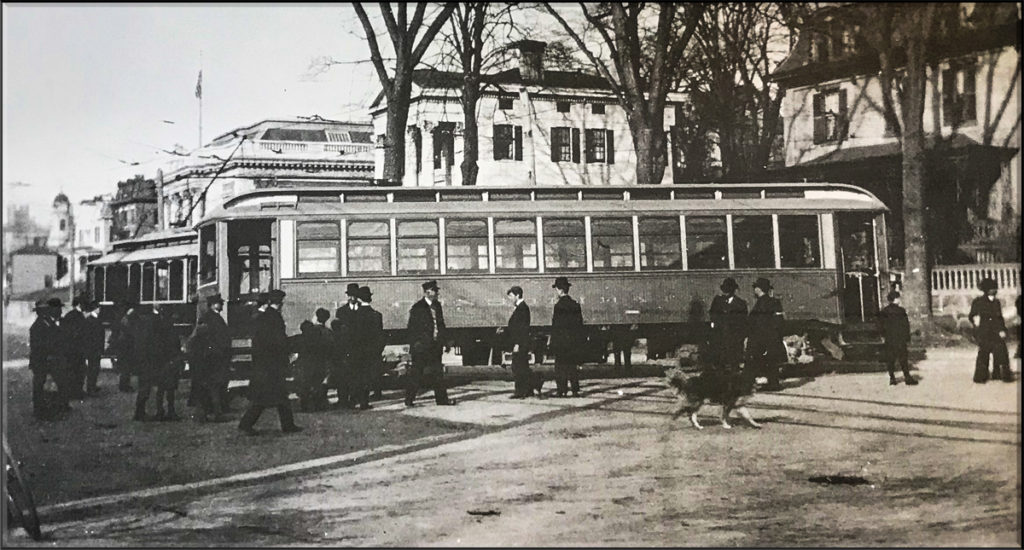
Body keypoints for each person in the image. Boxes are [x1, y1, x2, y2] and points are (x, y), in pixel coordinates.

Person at [238, 289, 302, 434]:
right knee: (267, 398)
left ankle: (287, 425)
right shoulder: (275, 317)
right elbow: (279, 341)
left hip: (265, 363)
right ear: (280, 303)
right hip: (273, 364)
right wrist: (291, 347)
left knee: (278, 396)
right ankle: (247, 424)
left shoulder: (264, 316)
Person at [405, 280, 457, 406]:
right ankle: (409, 400)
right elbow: (412, 328)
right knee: (416, 373)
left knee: (438, 373)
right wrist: (416, 344)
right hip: (421, 347)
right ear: (427, 292)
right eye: (434, 291)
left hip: (435, 345)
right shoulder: (418, 307)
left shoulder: (437, 306)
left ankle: (442, 400)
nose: (437, 293)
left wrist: (446, 342)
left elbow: (441, 325)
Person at [192, 294, 231, 422]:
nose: (222, 305)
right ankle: (213, 413)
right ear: (214, 305)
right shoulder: (211, 318)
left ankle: (206, 413)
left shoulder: (209, 317)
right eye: (220, 303)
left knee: (211, 386)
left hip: (212, 356)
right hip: (213, 357)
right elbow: (209, 338)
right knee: (213, 385)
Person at [29, 299, 70, 418]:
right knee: (39, 384)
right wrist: (50, 353)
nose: (47, 312)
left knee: (59, 381)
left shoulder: (48, 322)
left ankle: (59, 406)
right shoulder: (37, 326)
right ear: (39, 312)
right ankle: (39, 410)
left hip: (50, 359)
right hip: (41, 360)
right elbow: (38, 346)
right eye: (44, 310)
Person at [747, 277, 787, 391]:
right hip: (771, 337)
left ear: (758, 289)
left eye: (755, 287)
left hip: (762, 337)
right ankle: (773, 383)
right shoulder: (774, 302)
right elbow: (779, 321)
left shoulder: (761, 303)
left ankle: (771, 384)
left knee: (760, 360)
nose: (754, 290)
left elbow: (756, 322)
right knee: (771, 361)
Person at [969, 278, 1012, 383]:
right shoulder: (978, 301)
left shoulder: (997, 302)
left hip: (996, 331)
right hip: (984, 331)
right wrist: (975, 320)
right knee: (983, 354)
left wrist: (1002, 330)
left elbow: (999, 318)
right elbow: (972, 315)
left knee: (1001, 352)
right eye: (992, 288)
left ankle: (1001, 374)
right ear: (986, 290)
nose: (995, 290)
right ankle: (981, 375)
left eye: (995, 288)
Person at [550, 276, 584, 398]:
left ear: (560, 290)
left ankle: (562, 390)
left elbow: (556, 326)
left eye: (556, 289)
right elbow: (579, 325)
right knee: (572, 366)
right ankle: (575, 390)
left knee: (560, 367)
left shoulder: (558, 306)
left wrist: (553, 342)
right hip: (572, 341)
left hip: (561, 342)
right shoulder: (575, 305)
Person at [351, 286, 384, 410]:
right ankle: (364, 402)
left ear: (359, 299)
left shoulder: (354, 315)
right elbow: (380, 336)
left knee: (357, 376)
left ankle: (354, 400)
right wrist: (377, 350)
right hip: (372, 352)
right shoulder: (376, 315)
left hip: (357, 351)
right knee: (367, 377)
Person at [330, 283, 361, 408]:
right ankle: (342, 399)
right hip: (344, 347)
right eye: (350, 295)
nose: (352, 298)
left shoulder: (362, 310)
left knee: (355, 374)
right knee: (342, 375)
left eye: (355, 295)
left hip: (357, 347)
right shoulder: (341, 311)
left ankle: (354, 398)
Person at [877, 290, 917, 386]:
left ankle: (892, 378)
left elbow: (880, 325)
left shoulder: (884, 311)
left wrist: (883, 335)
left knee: (890, 359)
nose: (899, 300)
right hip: (900, 339)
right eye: (898, 298)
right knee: (903, 358)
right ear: (895, 299)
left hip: (890, 338)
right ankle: (907, 377)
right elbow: (905, 325)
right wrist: (907, 338)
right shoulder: (901, 311)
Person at [503, 286, 535, 399]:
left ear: (517, 295)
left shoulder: (522, 308)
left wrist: (517, 343)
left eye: (511, 296)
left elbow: (522, 329)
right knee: (522, 366)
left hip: (520, 343)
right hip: (521, 342)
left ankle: (520, 391)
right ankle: (528, 389)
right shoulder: (521, 307)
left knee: (518, 367)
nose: (510, 298)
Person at [153, 304, 183, 421]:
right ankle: (170, 411)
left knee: (161, 389)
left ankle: (160, 411)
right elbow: (174, 346)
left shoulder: (158, 328)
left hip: (161, 362)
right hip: (169, 361)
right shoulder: (170, 329)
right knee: (170, 389)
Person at [61, 294, 88, 399]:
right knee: (76, 370)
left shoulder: (72, 315)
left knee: (78, 370)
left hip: (75, 348)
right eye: (84, 304)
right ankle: (75, 392)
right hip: (75, 349)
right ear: (80, 304)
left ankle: (77, 391)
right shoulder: (75, 316)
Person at [81, 301, 106, 394]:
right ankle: (91, 388)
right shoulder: (91, 320)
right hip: (93, 349)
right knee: (93, 368)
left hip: (95, 348)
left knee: (95, 368)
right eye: (99, 308)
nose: (100, 310)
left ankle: (92, 386)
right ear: (95, 309)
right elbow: (91, 337)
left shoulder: (93, 319)